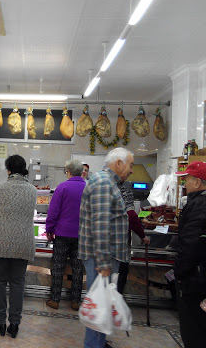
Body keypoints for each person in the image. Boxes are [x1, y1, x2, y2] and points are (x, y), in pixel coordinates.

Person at [78, 147, 134, 348]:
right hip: (101, 258)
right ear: (118, 163)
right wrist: (103, 263)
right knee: (99, 305)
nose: (131, 170)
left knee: (103, 305)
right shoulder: (103, 183)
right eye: (130, 164)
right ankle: (93, 345)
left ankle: (98, 343)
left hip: (106, 257)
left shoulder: (109, 182)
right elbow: (100, 225)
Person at [0, 155, 37, 339]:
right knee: (17, 283)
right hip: (22, 241)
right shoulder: (32, 190)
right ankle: (14, 324)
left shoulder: (1, 187)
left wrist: (2, 213)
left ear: (9, 170)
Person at [45, 160, 86, 311]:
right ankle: (76, 301)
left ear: (68, 171)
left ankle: (55, 300)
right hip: (81, 235)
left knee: (58, 267)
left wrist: (49, 229)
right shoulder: (88, 188)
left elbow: (53, 210)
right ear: (82, 172)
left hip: (62, 234)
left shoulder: (62, 187)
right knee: (77, 268)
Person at [174, 161, 206, 347]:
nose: (184, 183)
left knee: (193, 329)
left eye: (186, 179)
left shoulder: (199, 206)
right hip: (199, 274)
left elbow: (190, 245)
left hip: (195, 278)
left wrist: (179, 273)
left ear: (198, 182)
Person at [117, 180, 150, 294]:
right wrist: (142, 235)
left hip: (106, 243)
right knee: (121, 272)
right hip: (121, 244)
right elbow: (131, 216)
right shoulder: (125, 192)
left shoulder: (105, 191)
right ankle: (116, 298)